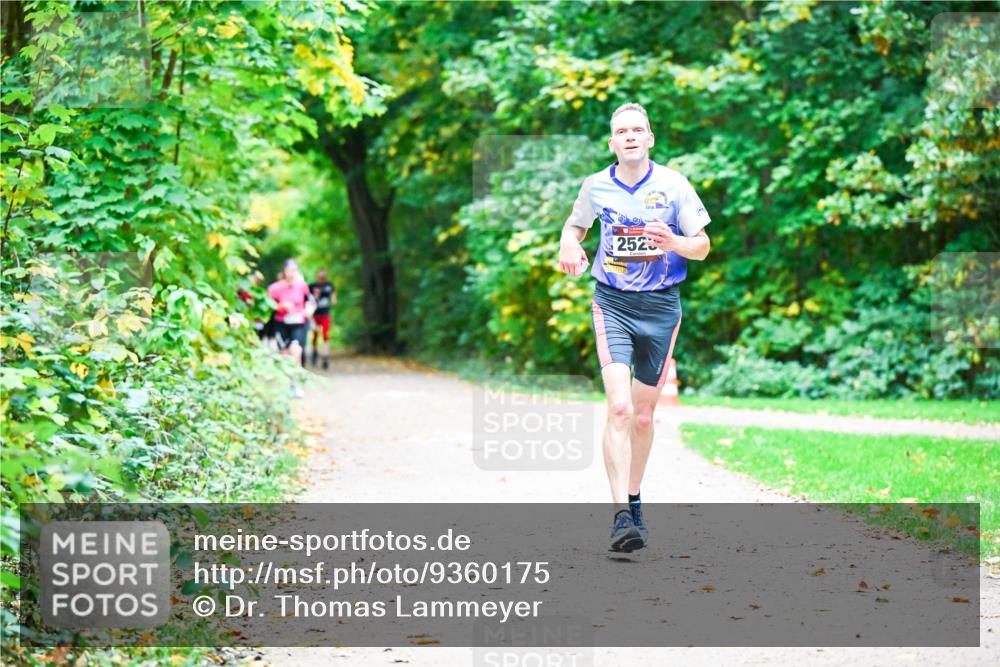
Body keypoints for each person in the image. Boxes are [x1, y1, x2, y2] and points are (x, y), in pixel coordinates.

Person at [558, 102, 712, 552]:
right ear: (612, 142)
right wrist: (569, 246)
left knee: (644, 416)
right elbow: (574, 227)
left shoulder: (674, 185)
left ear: (649, 139)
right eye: (621, 131)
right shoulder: (596, 186)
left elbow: (702, 247)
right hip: (613, 304)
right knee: (621, 409)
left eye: (637, 130)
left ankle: (634, 497)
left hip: (663, 307)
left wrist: (674, 241)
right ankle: (620, 517)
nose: (629, 136)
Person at [267, 260, 315, 398]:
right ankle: (288, 383)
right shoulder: (275, 288)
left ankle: (296, 384)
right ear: (284, 271)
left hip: (299, 323)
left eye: (294, 270)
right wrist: (281, 306)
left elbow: (310, 301)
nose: (292, 273)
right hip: (281, 324)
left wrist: (308, 310)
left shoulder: (302, 286)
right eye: (289, 270)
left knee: (296, 350)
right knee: (284, 354)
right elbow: (267, 306)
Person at [309, 269, 337, 369]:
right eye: (320, 276)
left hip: (325, 314)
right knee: (315, 335)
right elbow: (308, 300)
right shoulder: (312, 286)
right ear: (317, 276)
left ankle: (325, 356)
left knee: (325, 335)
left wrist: (332, 299)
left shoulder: (329, 286)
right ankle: (314, 352)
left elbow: (334, 299)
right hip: (314, 315)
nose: (321, 278)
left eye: (323, 276)